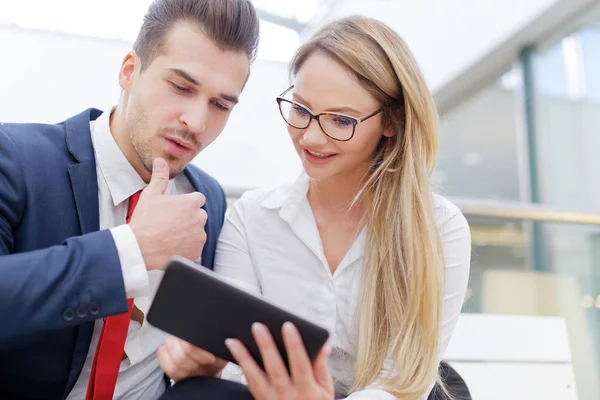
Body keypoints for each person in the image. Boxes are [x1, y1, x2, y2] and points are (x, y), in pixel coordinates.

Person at [158, 15, 471, 400]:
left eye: (341, 120)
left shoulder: (440, 229)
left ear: (391, 123)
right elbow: (238, 365)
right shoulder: (252, 219)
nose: (310, 136)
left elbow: (403, 384)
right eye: (301, 109)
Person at [0, 0, 259, 399]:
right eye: (181, 87)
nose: (197, 121)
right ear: (129, 71)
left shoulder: (207, 201)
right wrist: (131, 250)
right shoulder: (15, 158)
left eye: (220, 104)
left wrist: (204, 364)